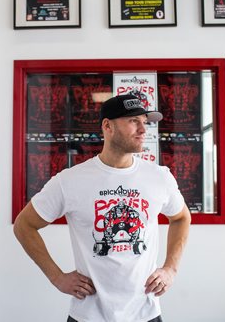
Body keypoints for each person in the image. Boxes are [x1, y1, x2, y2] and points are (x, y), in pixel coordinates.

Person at [14, 94, 191, 322]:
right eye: (133, 121)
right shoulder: (70, 181)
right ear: (107, 126)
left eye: (144, 122)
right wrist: (57, 277)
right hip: (88, 315)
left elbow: (181, 218)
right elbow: (24, 225)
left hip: (145, 313)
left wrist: (170, 269)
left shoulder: (159, 177)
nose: (143, 130)